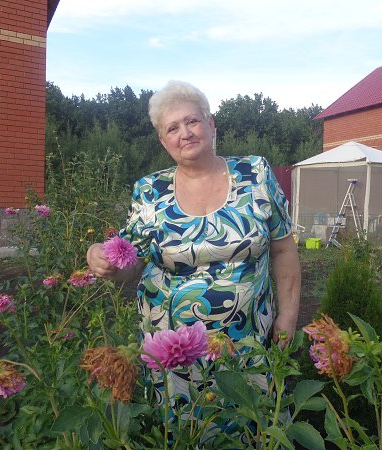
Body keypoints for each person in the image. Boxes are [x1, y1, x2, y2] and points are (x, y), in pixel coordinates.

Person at [87, 80, 300, 408]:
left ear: (211, 125)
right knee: (184, 424)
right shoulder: (150, 192)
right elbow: (129, 265)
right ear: (163, 141)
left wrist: (288, 315)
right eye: (172, 128)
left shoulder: (255, 174)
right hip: (173, 354)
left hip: (250, 343)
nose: (184, 133)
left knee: (253, 420)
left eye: (192, 121)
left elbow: (284, 250)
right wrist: (99, 259)